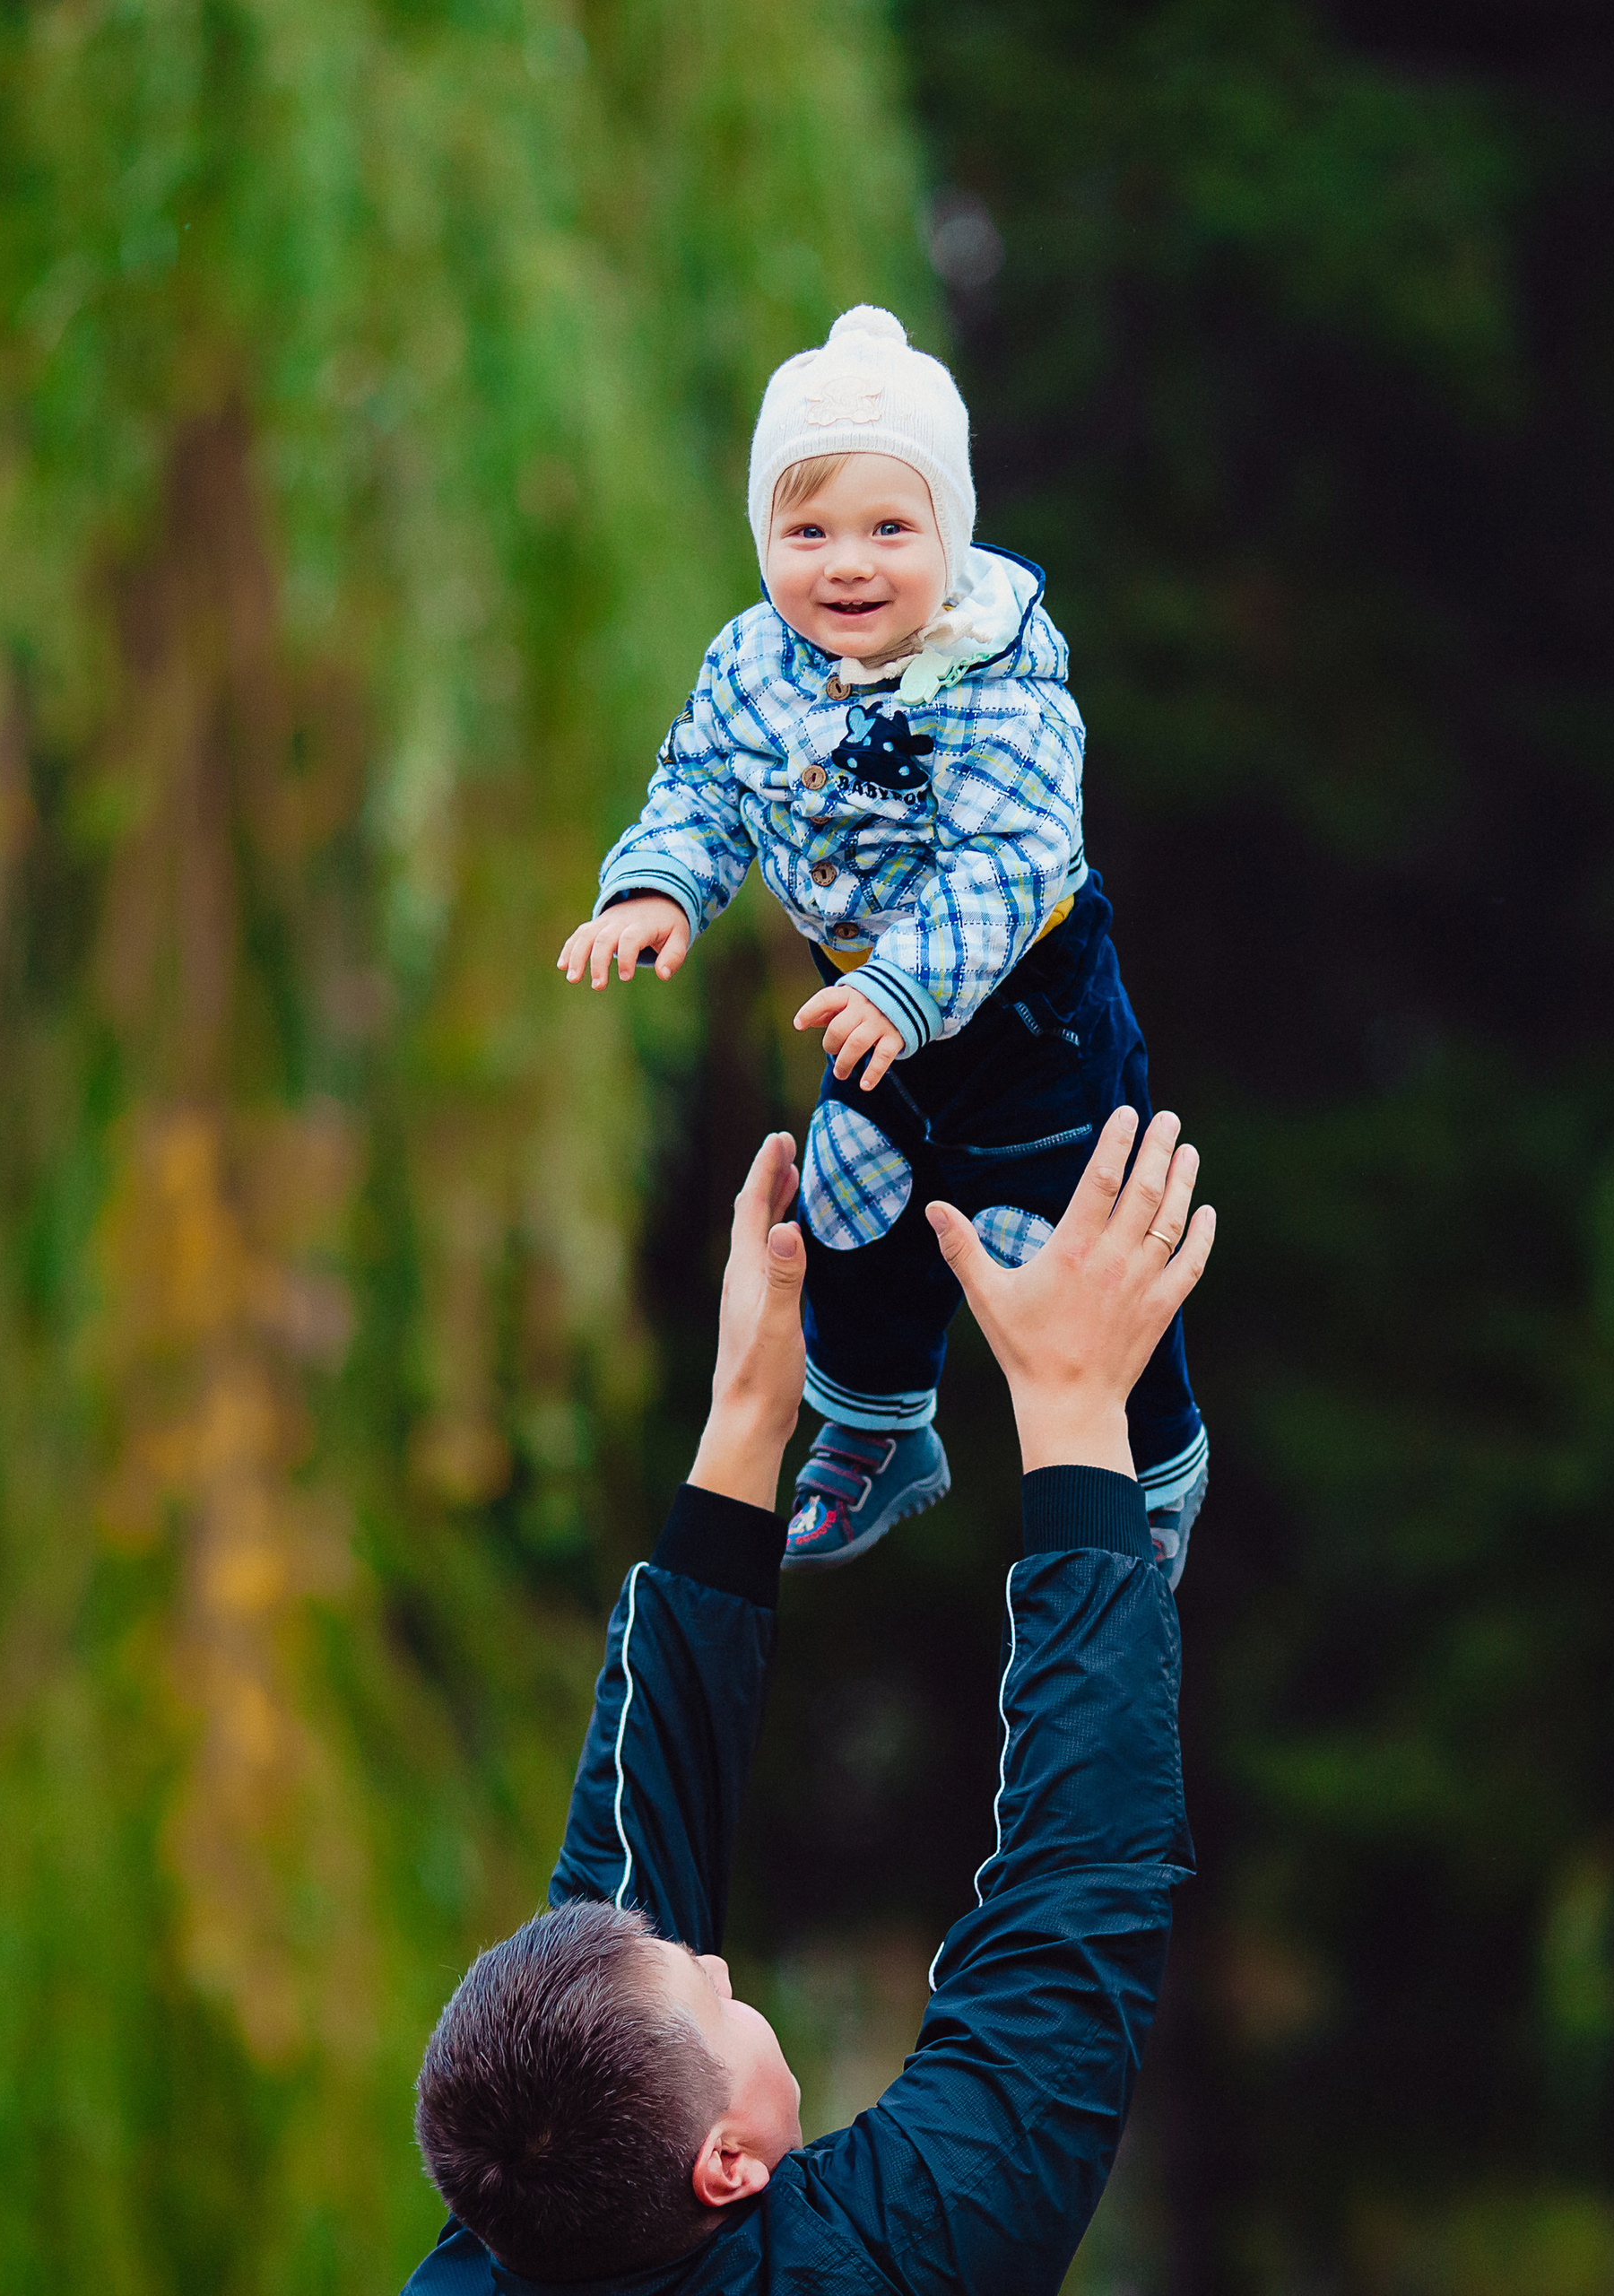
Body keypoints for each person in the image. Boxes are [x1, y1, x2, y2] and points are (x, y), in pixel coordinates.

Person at [402, 1104, 1212, 2293]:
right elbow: (1067, 1927)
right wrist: (1076, 1403)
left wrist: (745, 1422)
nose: (718, 1970)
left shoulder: (513, 2226)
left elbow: (629, 1858)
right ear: (726, 2162)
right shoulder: (877, 2271)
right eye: (719, 2003)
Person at [552, 305, 1209, 1583]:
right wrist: (659, 893)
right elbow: (703, 787)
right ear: (767, 544)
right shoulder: (756, 668)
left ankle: (1153, 1463)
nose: (845, 566)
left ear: (948, 537)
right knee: (850, 1205)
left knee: (1059, 1242)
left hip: (1025, 1013)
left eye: (888, 530)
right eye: (808, 533)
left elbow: (1006, 866)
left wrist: (912, 990)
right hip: (868, 1003)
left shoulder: (1003, 689)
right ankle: (875, 1432)